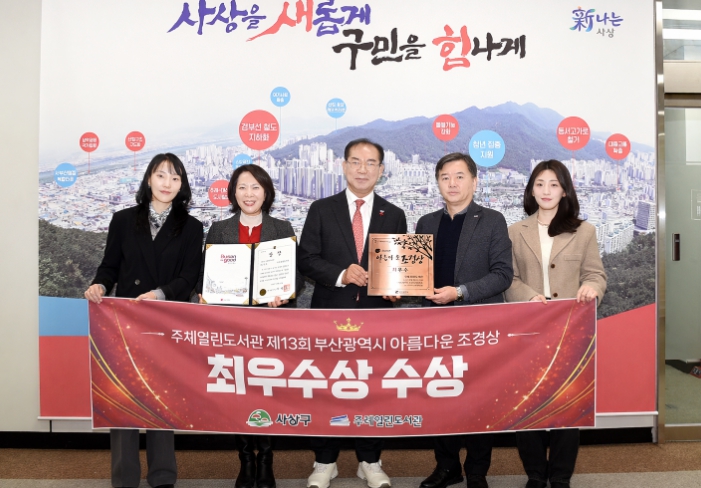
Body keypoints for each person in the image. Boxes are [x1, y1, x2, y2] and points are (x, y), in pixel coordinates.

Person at [85, 153, 204, 488]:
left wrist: (160, 294)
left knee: (160, 395)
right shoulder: (123, 220)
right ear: (149, 178)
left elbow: (189, 276)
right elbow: (110, 265)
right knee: (122, 395)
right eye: (161, 175)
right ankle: (125, 477)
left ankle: (163, 475)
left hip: (166, 319)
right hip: (125, 320)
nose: (168, 183)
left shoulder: (192, 227)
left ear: (182, 186)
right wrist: (100, 285)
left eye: (175, 178)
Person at [298, 138, 407, 488]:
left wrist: (396, 289)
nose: (363, 169)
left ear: (381, 170)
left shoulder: (394, 214)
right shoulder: (321, 209)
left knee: (372, 389)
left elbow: (398, 269)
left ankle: (370, 461)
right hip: (330, 314)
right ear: (343, 166)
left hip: (376, 317)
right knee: (327, 389)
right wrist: (342, 274)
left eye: (370, 163)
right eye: (356, 161)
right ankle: (324, 461)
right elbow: (306, 259)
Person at [197, 164, 302, 488]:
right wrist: (205, 293)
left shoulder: (283, 228)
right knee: (238, 392)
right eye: (242, 187)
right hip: (232, 327)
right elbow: (205, 276)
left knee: (266, 391)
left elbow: (296, 277)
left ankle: (266, 459)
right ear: (233, 193)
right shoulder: (219, 230)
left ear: (266, 192)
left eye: (256, 187)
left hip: (270, 326)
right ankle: (245, 459)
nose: (249, 194)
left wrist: (285, 294)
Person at [505, 159, 606, 488]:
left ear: (565, 191)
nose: (546, 191)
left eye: (553, 184)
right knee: (527, 403)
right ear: (531, 190)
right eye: (539, 184)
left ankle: (561, 477)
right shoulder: (515, 231)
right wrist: (529, 297)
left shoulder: (584, 231)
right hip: (528, 329)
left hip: (570, 329)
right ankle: (535, 474)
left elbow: (595, 274)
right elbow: (509, 279)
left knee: (568, 405)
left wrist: (592, 287)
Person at [415, 153, 513, 488]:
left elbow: (503, 275)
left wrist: (459, 292)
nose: (452, 183)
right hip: (436, 328)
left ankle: (476, 471)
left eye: (459, 176)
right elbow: (417, 276)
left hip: (478, 327)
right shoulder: (426, 223)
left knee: (480, 400)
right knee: (440, 398)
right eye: (445, 177)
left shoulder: (493, 220)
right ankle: (447, 467)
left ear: (474, 181)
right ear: (437, 182)